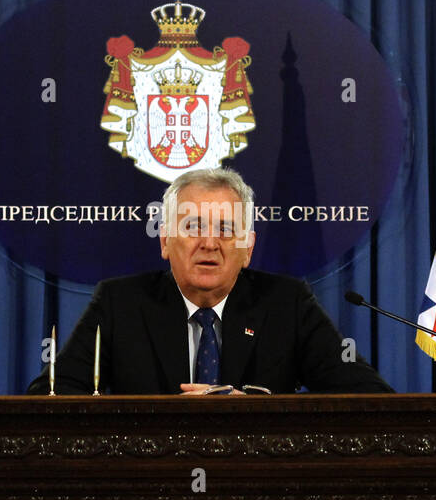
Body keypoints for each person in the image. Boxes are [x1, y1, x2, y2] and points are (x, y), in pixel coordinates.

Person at [28, 168, 392, 395]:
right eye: (193, 227)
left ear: (247, 249)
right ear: (166, 241)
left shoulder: (286, 303)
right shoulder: (119, 304)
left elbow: (369, 396)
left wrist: (256, 413)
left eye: (225, 229)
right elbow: (49, 396)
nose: (209, 242)